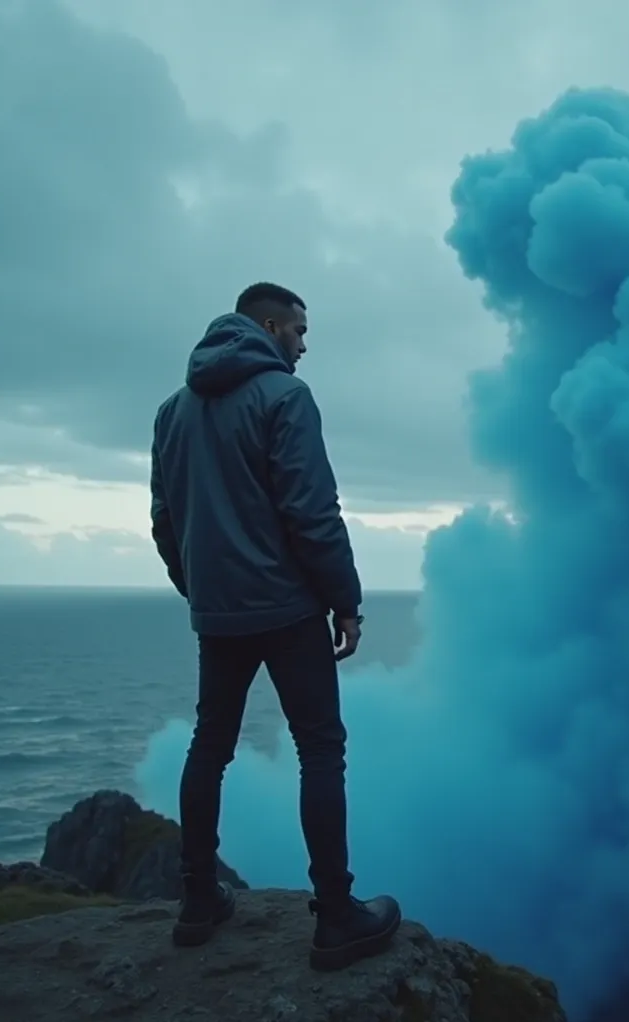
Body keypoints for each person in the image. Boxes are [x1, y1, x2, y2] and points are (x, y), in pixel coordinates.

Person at [149, 281, 401, 967]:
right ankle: (336, 915)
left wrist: (201, 589)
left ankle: (198, 900)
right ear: (268, 326)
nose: (304, 345)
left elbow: (165, 519)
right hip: (289, 609)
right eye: (299, 331)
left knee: (210, 746)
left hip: (219, 613)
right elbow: (312, 510)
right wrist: (345, 601)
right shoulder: (286, 397)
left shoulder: (172, 411)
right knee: (319, 750)